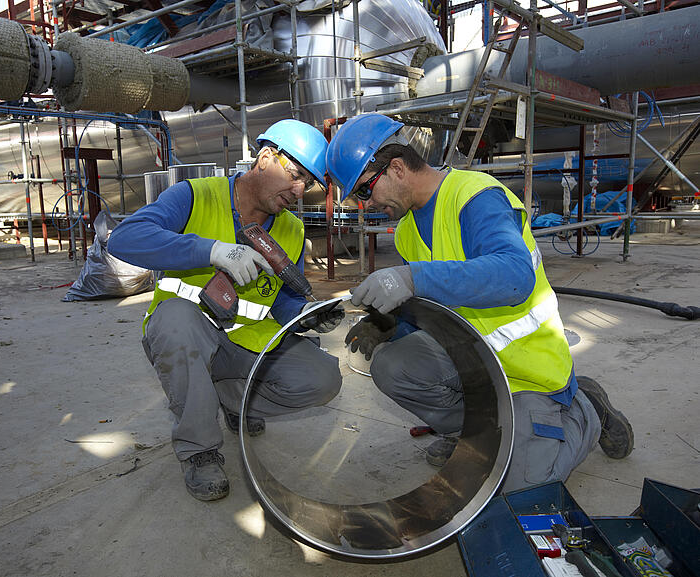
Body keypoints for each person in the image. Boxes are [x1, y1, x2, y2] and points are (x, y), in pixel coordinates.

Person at [327, 113, 633, 492]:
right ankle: (474, 433)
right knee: (394, 365)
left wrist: (412, 277)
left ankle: (587, 409)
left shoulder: (475, 197)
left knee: (520, 485)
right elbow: (433, 305)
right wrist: (391, 323)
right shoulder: (407, 230)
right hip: (472, 358)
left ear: (396, 168)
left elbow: (514, 276)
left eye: (364, 191)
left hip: (528, 372)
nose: (365, 204)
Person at [108, 119, 345, 501]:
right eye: (296, 174)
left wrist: (305, 314)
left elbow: (282, 299)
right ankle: (199, 450)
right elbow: (125, 238)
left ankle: (228, 398)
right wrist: (213, 251)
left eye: (309, 183)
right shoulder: (193, 196)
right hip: (188, 334)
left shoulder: (292, 230)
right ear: (266, 157)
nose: (300, 190)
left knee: (321, 378)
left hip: (244, 345)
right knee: (176, 324)